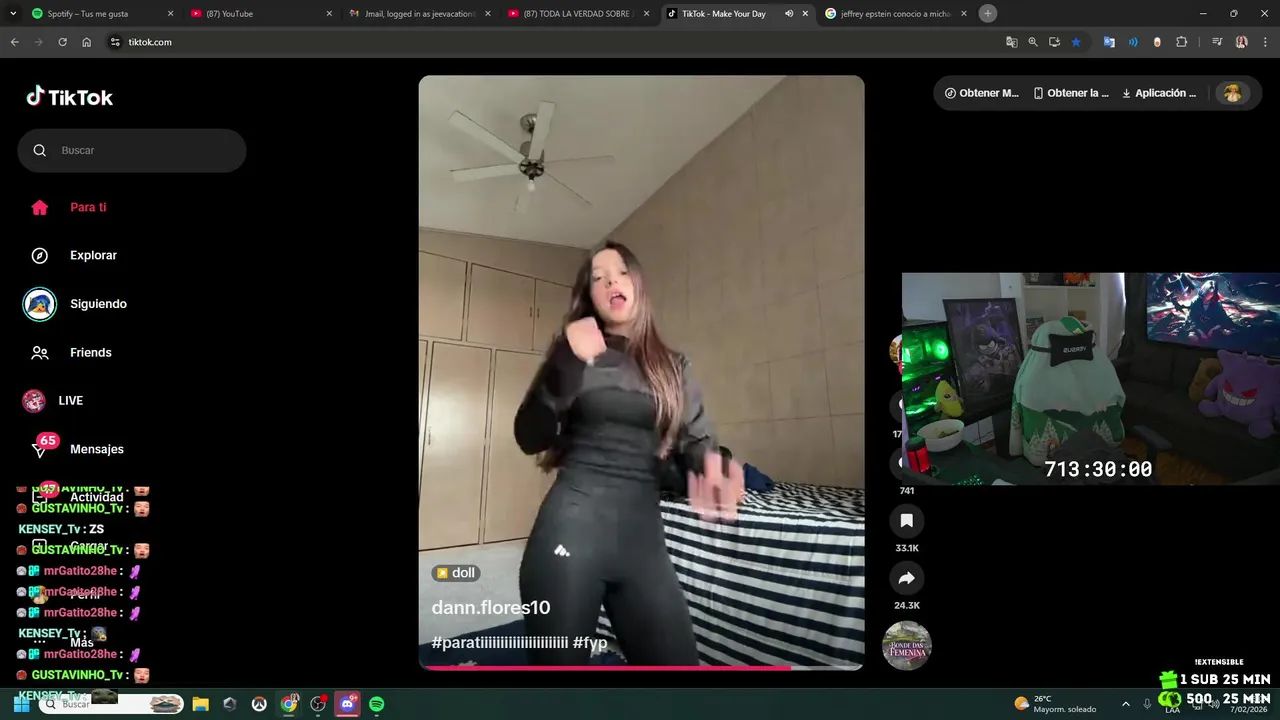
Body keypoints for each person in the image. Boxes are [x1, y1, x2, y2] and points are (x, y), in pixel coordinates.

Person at [513, 239, 745, 666]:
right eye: (598, 278)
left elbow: (697, 443)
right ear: (590, 296)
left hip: (643, 544)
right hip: (569, 535)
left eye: (620, 272)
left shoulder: (674, 366)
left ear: (637, 283)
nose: (611, 282)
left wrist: (715, 469)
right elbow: (529, 436)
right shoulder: (573, 352)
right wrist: (565, 362)